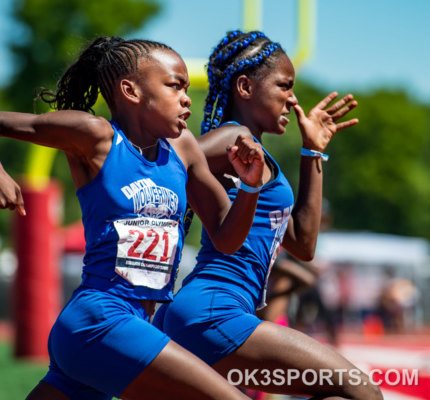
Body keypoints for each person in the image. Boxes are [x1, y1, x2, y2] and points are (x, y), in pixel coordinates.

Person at [0, 35, 267, 400]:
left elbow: (227, 238)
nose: (187, 98)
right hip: (101, 317)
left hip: (131, 325)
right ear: (131, 91)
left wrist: (250, 188)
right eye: (175, 86)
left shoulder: (182, 149)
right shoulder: (97, 137)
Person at [153, 31, 383, 399]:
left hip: (207, 311)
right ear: (245, 86)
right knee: (360, 390)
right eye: (284, 86)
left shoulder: (254, 155)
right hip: (213, 309)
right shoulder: (235, 137)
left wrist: (313, 153)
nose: (293, 99)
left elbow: (304, 243)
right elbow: (176, 155)